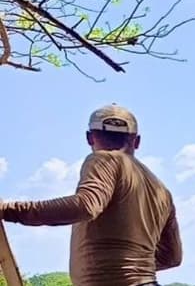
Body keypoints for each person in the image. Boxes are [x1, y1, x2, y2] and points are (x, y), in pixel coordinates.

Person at [0, 104, 182, 286]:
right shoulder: (162, 192)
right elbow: (172, 257)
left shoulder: (105, 159)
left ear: (89, 137)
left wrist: (9, 210)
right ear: (137, 141)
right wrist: (133, 266)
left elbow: (85, 206)